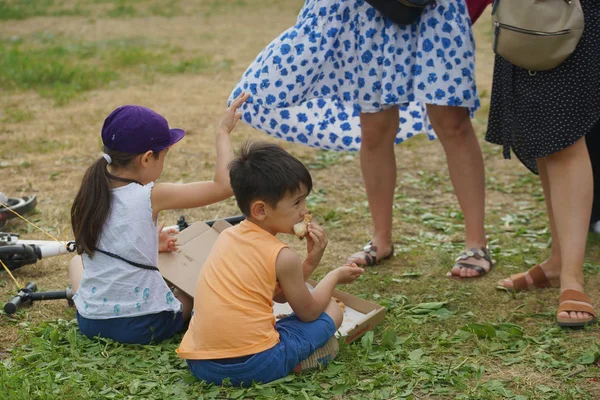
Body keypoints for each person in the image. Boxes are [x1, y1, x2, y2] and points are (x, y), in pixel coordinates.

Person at [229, 0, 492, 278]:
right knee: (375, 127)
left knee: (453, 122)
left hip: (434, 10)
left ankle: (477, 243)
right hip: (369, 13)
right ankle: (381, 239)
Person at [177, 141, 364, 386]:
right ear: (261, 210)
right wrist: (335, 276)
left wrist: (310, 261)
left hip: (201, 364)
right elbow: (308, 313)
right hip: (254, 366)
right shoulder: (283, 256)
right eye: (297, 203)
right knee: (332, 310)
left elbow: (279, 297)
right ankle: (300, 361)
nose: (304, 211)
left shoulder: (227, 236)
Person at [68, 92, 250, 344]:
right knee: (194, 290)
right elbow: (224, 186)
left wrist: (151, 243)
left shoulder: (92, 189)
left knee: (77, 262)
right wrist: (223, 132)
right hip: (143, 326)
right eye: (163, 156)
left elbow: (110, 236)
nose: (163, 163)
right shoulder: (152, 195)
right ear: (146, 158)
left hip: (90, 321)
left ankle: (95, 306)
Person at [488, 1, 599, 327]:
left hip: (571, 11)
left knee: (566, 136)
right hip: (525, 11)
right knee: (543, 132)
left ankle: (573, 279)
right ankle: (558, 261)